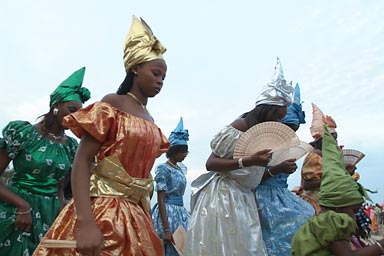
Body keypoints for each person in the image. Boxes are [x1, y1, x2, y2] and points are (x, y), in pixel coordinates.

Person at [33, 16, 169, 255]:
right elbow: (82, 161)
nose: (160, 81)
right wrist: (85, 222)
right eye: (156, 73)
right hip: (102, 212)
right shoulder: (112, 105)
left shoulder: (151, 120)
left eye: (163, 78)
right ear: (135, 67)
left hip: (137, 216)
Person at [186, 58, 294, 256]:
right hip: (224, 197)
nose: (280, 121)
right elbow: (211, 163)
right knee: (226, 248)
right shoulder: (240, 126)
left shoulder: (263, 133)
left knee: (247, 247)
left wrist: (277, 168)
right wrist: (249, 160)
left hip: (245, 196)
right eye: (279, 115)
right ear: (268, 110)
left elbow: (252, 176)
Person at [0, 67, 90, 255]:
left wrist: (63, 212)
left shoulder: (71, 146)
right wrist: (22, 206)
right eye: (71, 109)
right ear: (55, 106)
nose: (75, 116)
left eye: (79, 113)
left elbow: (60, 187)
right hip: (18, 212)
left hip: (50, 215)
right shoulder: (24, 133)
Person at [291, 125, 384, 256]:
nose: (353, 218)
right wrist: (381, 246)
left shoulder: (323, 220)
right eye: (353, 211)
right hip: (320, 198)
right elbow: (306, 183)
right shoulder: (330, 222)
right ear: (337, 208)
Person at [255, 83, 315, 256]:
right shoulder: (261, 145)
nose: (291, 135)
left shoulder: (288, 147)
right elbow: (250, 179)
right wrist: (277, 169)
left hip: (282, 196)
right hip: (262, 199)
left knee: (307, 216)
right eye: (288, 129)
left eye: (294, 131)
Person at [152, 117, 191, 255]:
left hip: (181, 212)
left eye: (186, 152)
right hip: (168, 214)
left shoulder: (181, 169)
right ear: (174, 151)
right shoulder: (163, 169)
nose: (185, 155)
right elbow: (161, 199)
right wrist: (166, 228)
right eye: (182, 151)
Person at [299, 102, 338, 215]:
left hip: (328, 201)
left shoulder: (329, 157)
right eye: (332, 138)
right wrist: (333, 179)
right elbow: (306, 185)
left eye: (335, 138)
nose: (335, 142)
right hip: (315, 204)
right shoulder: (315, 156)